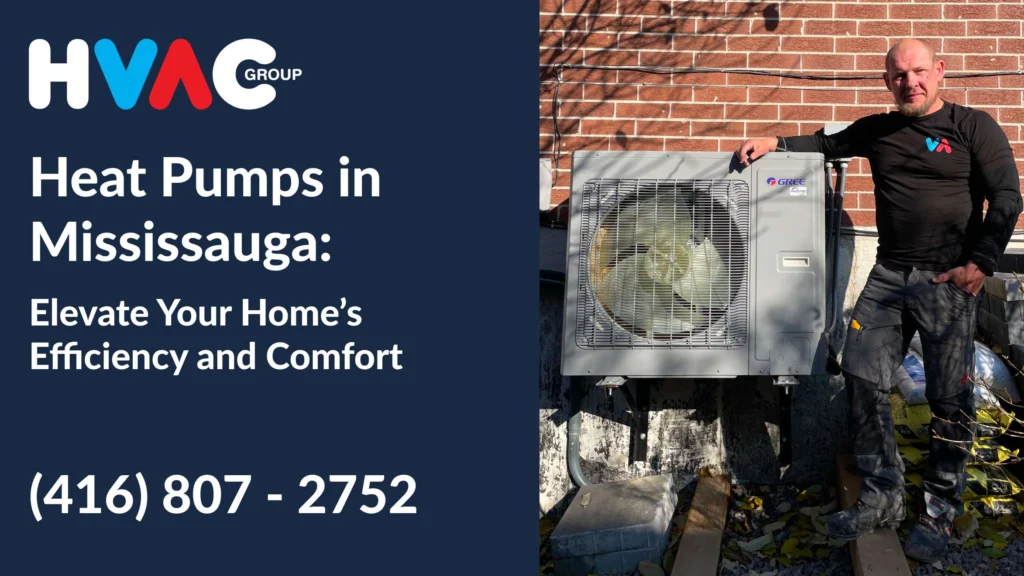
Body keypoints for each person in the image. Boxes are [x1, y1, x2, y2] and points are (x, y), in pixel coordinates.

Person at [734, 38, 1022, 562]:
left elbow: (1006, 196)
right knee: (862, 375)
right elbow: (826, 144)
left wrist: (980, 264)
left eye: (919, 72)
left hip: (948, 281)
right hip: (889, 275)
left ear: (939, 71)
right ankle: (881, 495)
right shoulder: (879, 130)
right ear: (887, 81)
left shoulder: (973, 126)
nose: (910, 82)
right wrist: (773, 141)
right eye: (899, 75)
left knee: (949, 399)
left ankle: (939, 512)